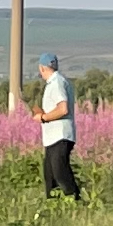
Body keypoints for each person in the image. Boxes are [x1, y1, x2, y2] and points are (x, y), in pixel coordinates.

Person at [33, 52, 82, 200]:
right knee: (50, 176)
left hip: (60, 136)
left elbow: (63, 109)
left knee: (60, 173)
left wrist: (43, 117)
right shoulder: (58, 82)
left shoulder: (56, 83)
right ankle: (54, 206)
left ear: (41, 68)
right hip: (53, 137)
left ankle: (74, 201)